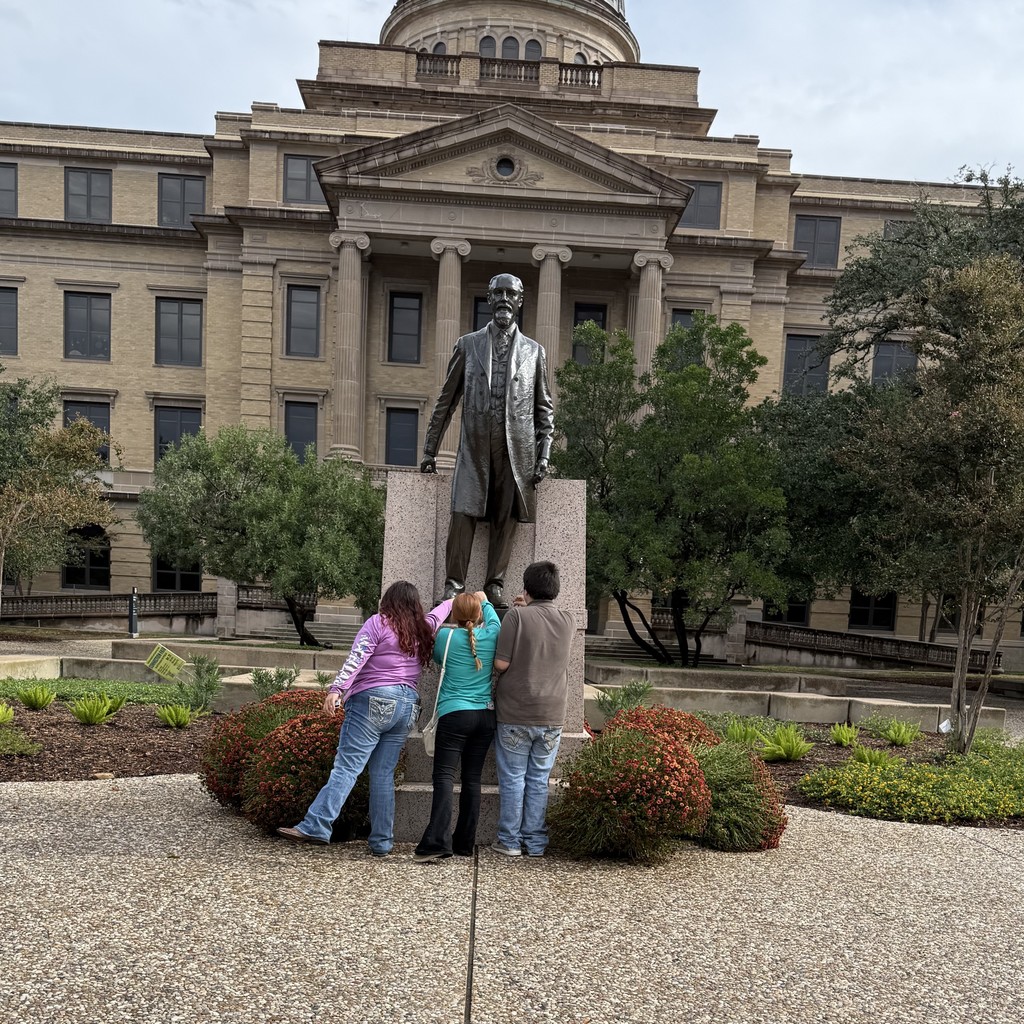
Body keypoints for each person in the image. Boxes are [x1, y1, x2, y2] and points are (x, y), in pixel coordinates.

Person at [277, 581, 453, 856]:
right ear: (415, 604)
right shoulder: (424, 627)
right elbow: (444, 609)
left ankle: (316, 825)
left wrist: (336, 689)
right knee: (383, 774)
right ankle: (382, 842)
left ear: (388, 601)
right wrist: (472, 599)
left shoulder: (378, 623)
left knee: (347, 767)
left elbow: (357, 658)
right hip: (408, 706)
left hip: (373, 699)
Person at [420, 273, 555, 608]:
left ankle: (494, 585)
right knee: (462, 514)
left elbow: (544, 408)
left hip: (516, 452)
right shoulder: (468, 345)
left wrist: (544, 455)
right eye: (498, 293)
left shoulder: (534, 352)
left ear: (520, 301)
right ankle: (453, 584)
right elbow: (445, 401)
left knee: (506, 518)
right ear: (489, 298)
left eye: (511, 294)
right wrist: (429, 450)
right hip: (475, 450)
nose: (504, 300)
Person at [490, 560, 574, 858]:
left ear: (526, 589)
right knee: (539, 779)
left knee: (513, 778)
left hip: (516, 711)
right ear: (555, 589)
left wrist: (521, 610)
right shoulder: (568, 620)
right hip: (552, 714)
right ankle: (536, 842)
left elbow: (501, 664)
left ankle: (510, 841)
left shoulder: (516, 616)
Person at [413, 591, 500, 863]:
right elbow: (495, 623)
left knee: (444, 777)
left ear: (454, 615)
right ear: (479, 613)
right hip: (484, 716)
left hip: (454, 714)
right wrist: (485, 601)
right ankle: (464, 842)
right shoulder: (491, 635)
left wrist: (449, 604)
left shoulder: (445, 638)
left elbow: (438, 658)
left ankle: (437, 841)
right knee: (472, 779)